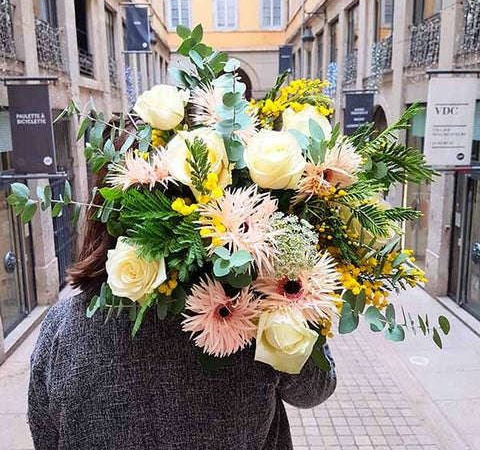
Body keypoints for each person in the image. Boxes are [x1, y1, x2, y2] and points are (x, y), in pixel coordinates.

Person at [28, 121, 337, 450]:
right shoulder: (255, 318)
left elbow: (46, 437)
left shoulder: (63, 328)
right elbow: (314, 389)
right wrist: (291, 291)